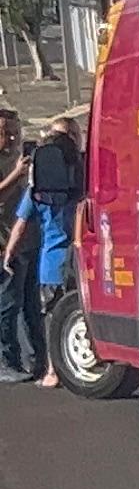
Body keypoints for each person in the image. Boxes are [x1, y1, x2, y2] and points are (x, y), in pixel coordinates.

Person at [21, 113, 84, 389]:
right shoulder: (79, 177)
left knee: (53, 317)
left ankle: (53, 370)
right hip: (77, 257)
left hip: (54, 261)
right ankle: (60, 368)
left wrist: (10, 252)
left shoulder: (42, 188)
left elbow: (22, 221)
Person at [0, 110, 33, 382]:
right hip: (3, 244)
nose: (10, 138)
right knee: (6, 303)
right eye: (3, 132)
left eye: (14, 131)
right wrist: (15, 176)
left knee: (27, 305)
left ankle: (30, 358)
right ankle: (5, 362)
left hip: (24, 241)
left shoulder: (18, 159)